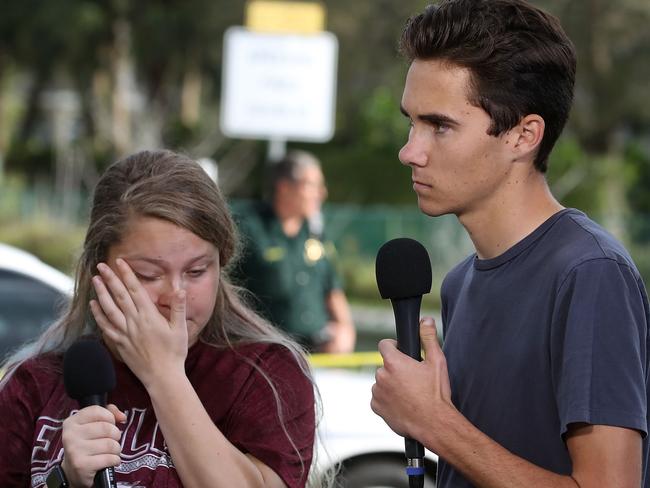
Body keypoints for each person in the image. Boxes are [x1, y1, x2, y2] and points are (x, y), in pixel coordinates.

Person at [370, 1, 650, 487]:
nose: (409, 151)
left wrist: (433, 421)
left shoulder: (589, 273)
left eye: (440, 125)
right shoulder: (461, 281)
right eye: (411, 122)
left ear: (523, 135)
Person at [0, 150, 315, 488]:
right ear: (98, 270)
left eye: (196, 271)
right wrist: (64, 481)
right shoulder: (35, 382)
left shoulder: (264, 373)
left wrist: (163, 374)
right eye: (148, 275)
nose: (175, 296)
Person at [232, 150, 356, 354]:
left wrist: (345, 330)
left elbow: (332, 287)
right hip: (264, 351)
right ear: (285, 187)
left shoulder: (314, 231)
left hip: (317, 351)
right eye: (313, 185)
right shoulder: (247, 227)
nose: (321, 193)